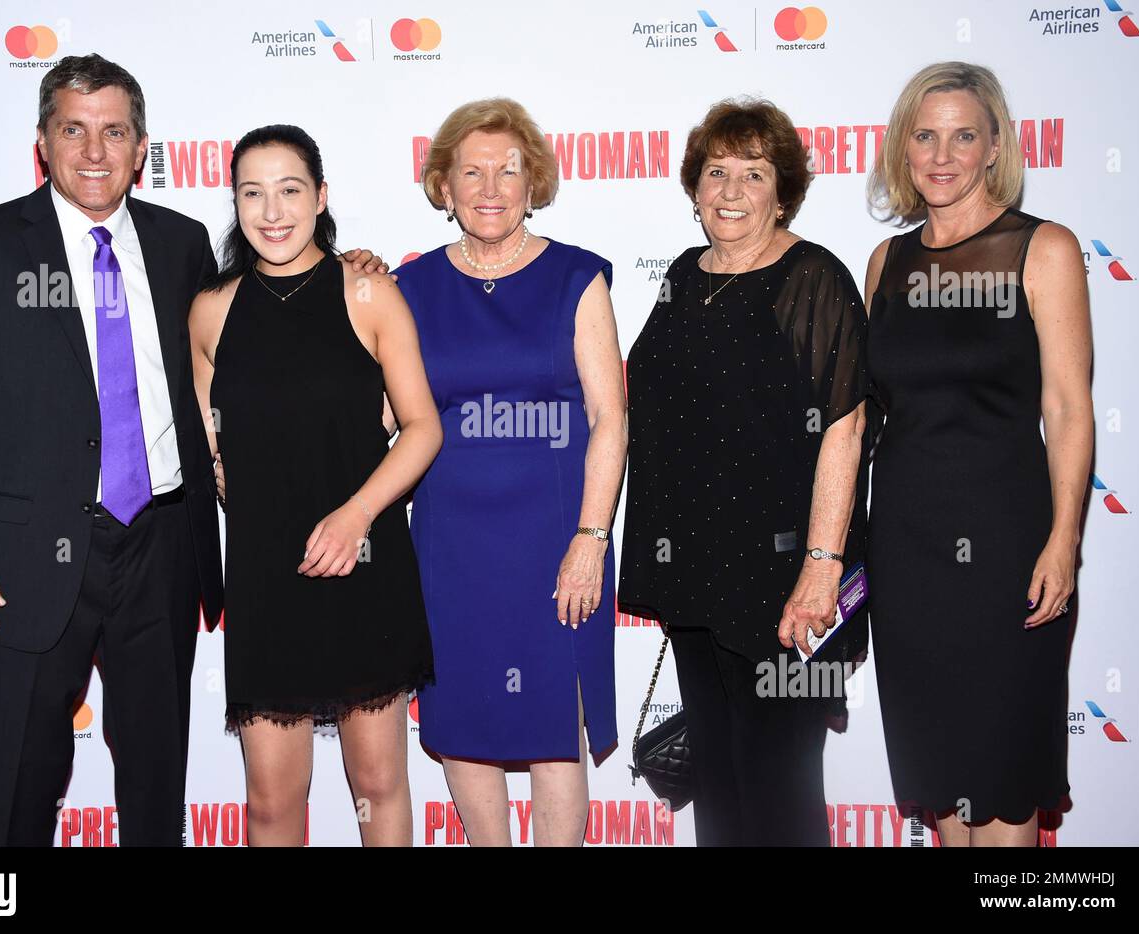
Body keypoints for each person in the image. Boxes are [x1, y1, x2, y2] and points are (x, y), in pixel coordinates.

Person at [0, 54, 225, 846]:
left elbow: (255, 330)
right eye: (73, 131)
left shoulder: (181, 244)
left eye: (113, 132)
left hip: (160, 539)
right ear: (42, 143)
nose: (94, 152)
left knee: (157, 780)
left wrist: (354, 267)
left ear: (141, 147)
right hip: (22, 557)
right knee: (19, 780)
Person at [618, 98, 870, 846]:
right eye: (716, 173)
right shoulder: (684, 276)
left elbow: (846, 426)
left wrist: (822, 570)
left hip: (785, 584)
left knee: (781, 786)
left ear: (782, 191)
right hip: (696, 577)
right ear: (694, 188)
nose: (730, 191)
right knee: (721, 787)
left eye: (752, 174)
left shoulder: (812, 277)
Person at [189, 125, 441, 846]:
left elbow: (422, 427)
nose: (273, 210)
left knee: (381, 784)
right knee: (271, 802)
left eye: (290, 189)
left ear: (322, 197)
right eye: (253, 192)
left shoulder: (368, 292)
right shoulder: (212, 311)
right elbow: (213, 446)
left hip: (366, 565)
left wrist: (355, 515)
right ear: (234, 202)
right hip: (269, 579)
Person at [864, 62, 1093, 847]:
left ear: (995, 146)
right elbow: (870, 414)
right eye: (925, 135)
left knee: (1000, 786)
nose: (942, 154)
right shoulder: (885, 265)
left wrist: (1064, 541)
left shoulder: (1044, 250)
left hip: (1006, 548)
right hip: (906, 549)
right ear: (903, 147)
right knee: (944, 795)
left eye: (964, 135)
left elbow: (1066, 408)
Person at [393, 98, 627, 846]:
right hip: (449, 545)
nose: (490, 188)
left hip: (556, 537)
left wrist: (592, 536)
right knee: (463, 719)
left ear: (535, 183)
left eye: (509, 171)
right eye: (472, 171)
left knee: (553, 722)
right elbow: (384, 418)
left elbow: (610, 419)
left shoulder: (574, 277)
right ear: (443, 186)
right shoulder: (413, 286)